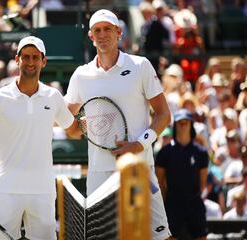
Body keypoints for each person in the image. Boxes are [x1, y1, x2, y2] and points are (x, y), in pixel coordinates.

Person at [64, 9, 171, 240]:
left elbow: (163, 115)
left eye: (107, 29)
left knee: (159, 237)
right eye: (97, 30)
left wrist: (138, 145)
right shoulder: (81, 76)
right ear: (91, 36)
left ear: (119, 32)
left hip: (138, 168)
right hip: (99, 172)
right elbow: (71, 130)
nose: (102, 35)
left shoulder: (140, 65)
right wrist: (79, 126)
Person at [0, 36, 76, 239]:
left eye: (35, 57)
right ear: (17, 60)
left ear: (44, 61)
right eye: (26, 57)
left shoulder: (53, 97)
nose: (30, 62)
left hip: (42, 192)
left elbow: (74, 130)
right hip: (7, 191)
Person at [156, 109, 209, 240]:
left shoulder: (201, 152)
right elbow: (160, 182)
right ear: (175, 125)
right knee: (168, 237)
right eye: (180, 122)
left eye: (186, 122)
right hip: (173, 203)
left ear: (191, 124)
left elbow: (203, 181)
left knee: (201, 236)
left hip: (194, 202)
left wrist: (193, 196)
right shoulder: (165, 152)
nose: (183, 125)